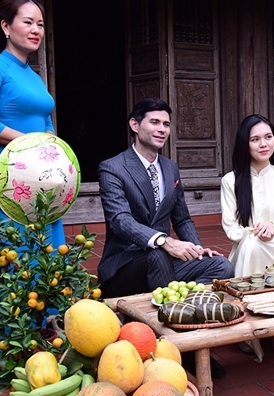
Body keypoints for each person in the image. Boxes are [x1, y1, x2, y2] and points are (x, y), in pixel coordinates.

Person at [0, 0, 64, 345]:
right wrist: (30, 143)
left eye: (40, 24)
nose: (36, 29)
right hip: (10, 173)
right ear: (6, 26)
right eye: (28, 22)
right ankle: (5, 345)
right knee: (12, 253)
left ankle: (43, 338)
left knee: (44, 252)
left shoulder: (34, 77)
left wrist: (52, 148)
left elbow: (46, 122)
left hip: (41, 175)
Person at [97, 98, 234, 298]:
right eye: (155, 122)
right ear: (134, 124)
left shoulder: (170, 168)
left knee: (222, 266)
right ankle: (170, 311)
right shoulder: (113, 167)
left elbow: (182, 219)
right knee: (158, 255)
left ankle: (182, 305)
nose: (162, 129)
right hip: (125, 265)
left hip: (164, 260)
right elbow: (120, 220)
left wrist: (197, 249)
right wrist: (164, 241)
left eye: (166, 124)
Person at [221, 115, 274, 356]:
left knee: (272, 241)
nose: (263, 144)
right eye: (255, 139)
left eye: (268, 137)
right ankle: (249, 324)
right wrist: (256, 230)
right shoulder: (230, 181)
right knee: (254, 244)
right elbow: (232, 228)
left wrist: (273, 228)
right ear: (244, 144)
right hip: (246, 251)